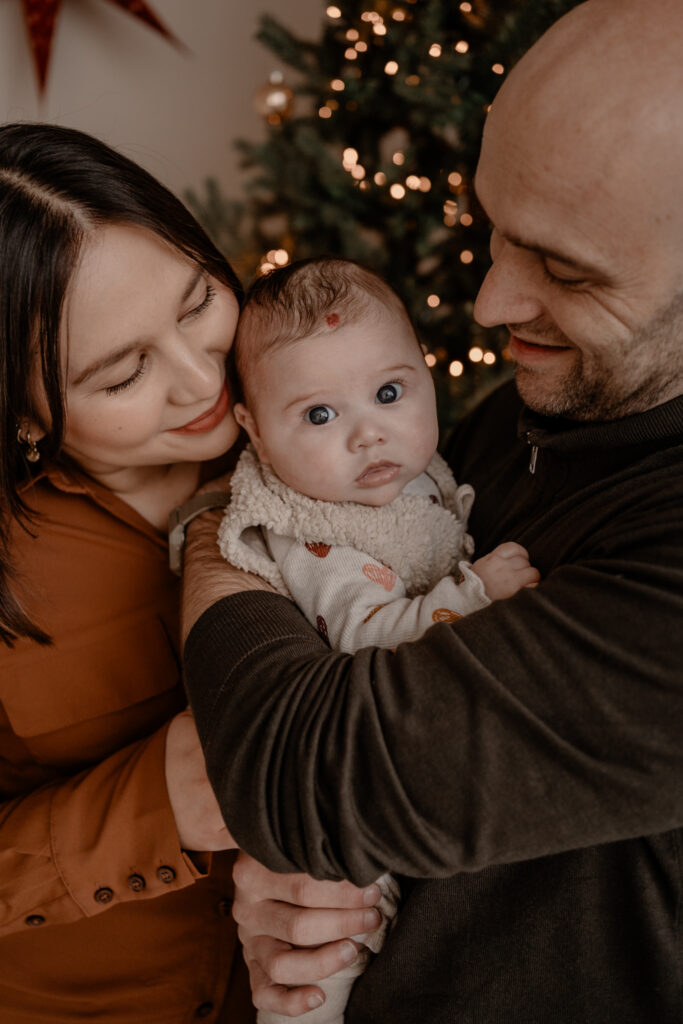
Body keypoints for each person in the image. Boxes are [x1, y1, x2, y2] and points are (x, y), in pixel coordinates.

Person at [181, 0, 683, 1020]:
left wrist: (223, 536)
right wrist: (304, 889)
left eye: (565, 268)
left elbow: (292, 768)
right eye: (494, 230)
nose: (489, 303)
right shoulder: (559, 397)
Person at [218, 255, 539, 1024]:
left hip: (418, 766)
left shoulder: (412, 471)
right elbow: (364, 638)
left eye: (390, 393)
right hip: (337, 789)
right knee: (327, 944)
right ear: (256, 433)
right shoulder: (317, 537)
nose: (369, 434)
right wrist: (472, 593)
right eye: (318, 415)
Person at [0, 122, 255, 1023]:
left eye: (195, 304)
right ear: (24, 413)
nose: (200, 380)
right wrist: (155, 805)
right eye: (122, 376)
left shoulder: (322, 415)